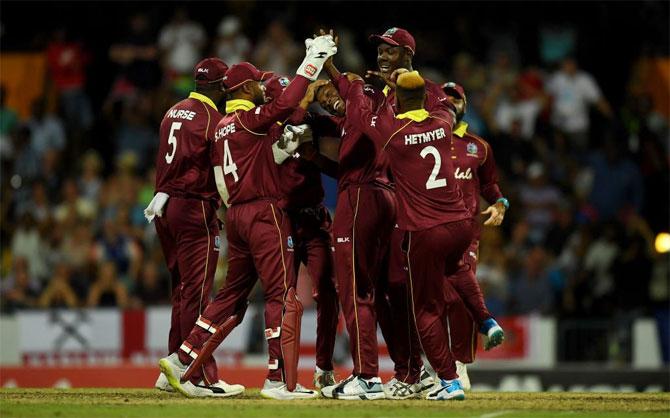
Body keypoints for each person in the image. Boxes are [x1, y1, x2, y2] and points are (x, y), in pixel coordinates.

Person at [158, 35, 338, 400]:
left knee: (230, 296)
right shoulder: (249, 119)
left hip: (237, 215)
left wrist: (285, 144)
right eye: (258, 82)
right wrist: (312, 60)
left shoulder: (223, 126)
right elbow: (286, 102)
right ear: (246, 87)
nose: (263, 87)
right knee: (282, 295)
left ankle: (181, 360)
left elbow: (234, 171)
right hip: (263, 213)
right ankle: (278, 379)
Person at [345, 70, 474, 401]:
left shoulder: (393, 131)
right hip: (460, 225)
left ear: (398, 99)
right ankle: (481, 329)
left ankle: (447, 381)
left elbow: (361, 114)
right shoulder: (444, 122)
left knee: (424, 311)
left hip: (422, 230)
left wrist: (361, 86)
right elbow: (445, 103)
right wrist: (411, 81)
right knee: (453, 288)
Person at [145, 57, 242, 397]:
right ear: (217, 87)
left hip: (164, 206)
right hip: (194, 207)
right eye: (226, 85)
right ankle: (198, 376)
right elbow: (220, 176)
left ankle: (173, 364)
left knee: (183, 292)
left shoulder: (172, 111)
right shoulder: (214, 121)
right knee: (198, 294)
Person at [308, 57, 396, 399]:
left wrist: (328, 66)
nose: (332, 96)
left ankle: (367, 376)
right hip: (378, 196)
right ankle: (409, 371)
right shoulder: (367, 119)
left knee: (354, 289)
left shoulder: (360, 109)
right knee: (380, 291)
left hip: (361, 199)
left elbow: (341, 100)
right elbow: (324, 123)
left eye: (337, 91)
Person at [265, 74, 340, 390]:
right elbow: (284, 139)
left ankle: (323, 368)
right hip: (282, 219)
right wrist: (304, 101)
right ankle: (280, 374)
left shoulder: (310, 120)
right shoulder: (268, 125)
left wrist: (333, 98)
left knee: (328, 291)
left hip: (313, 218)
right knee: (282, 297)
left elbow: (346, 125)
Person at [441, 82, 507, 389]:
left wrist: (501, 203)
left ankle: (459, 364)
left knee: (460, 297)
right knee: (429, 298)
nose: (451, 103)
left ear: (464, 105)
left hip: (466, 233)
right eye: (446, 98)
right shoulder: (422, 139)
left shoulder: (478, 146)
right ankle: (434, 364)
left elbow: (490, 185)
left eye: (456, 99)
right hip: (427, 230)